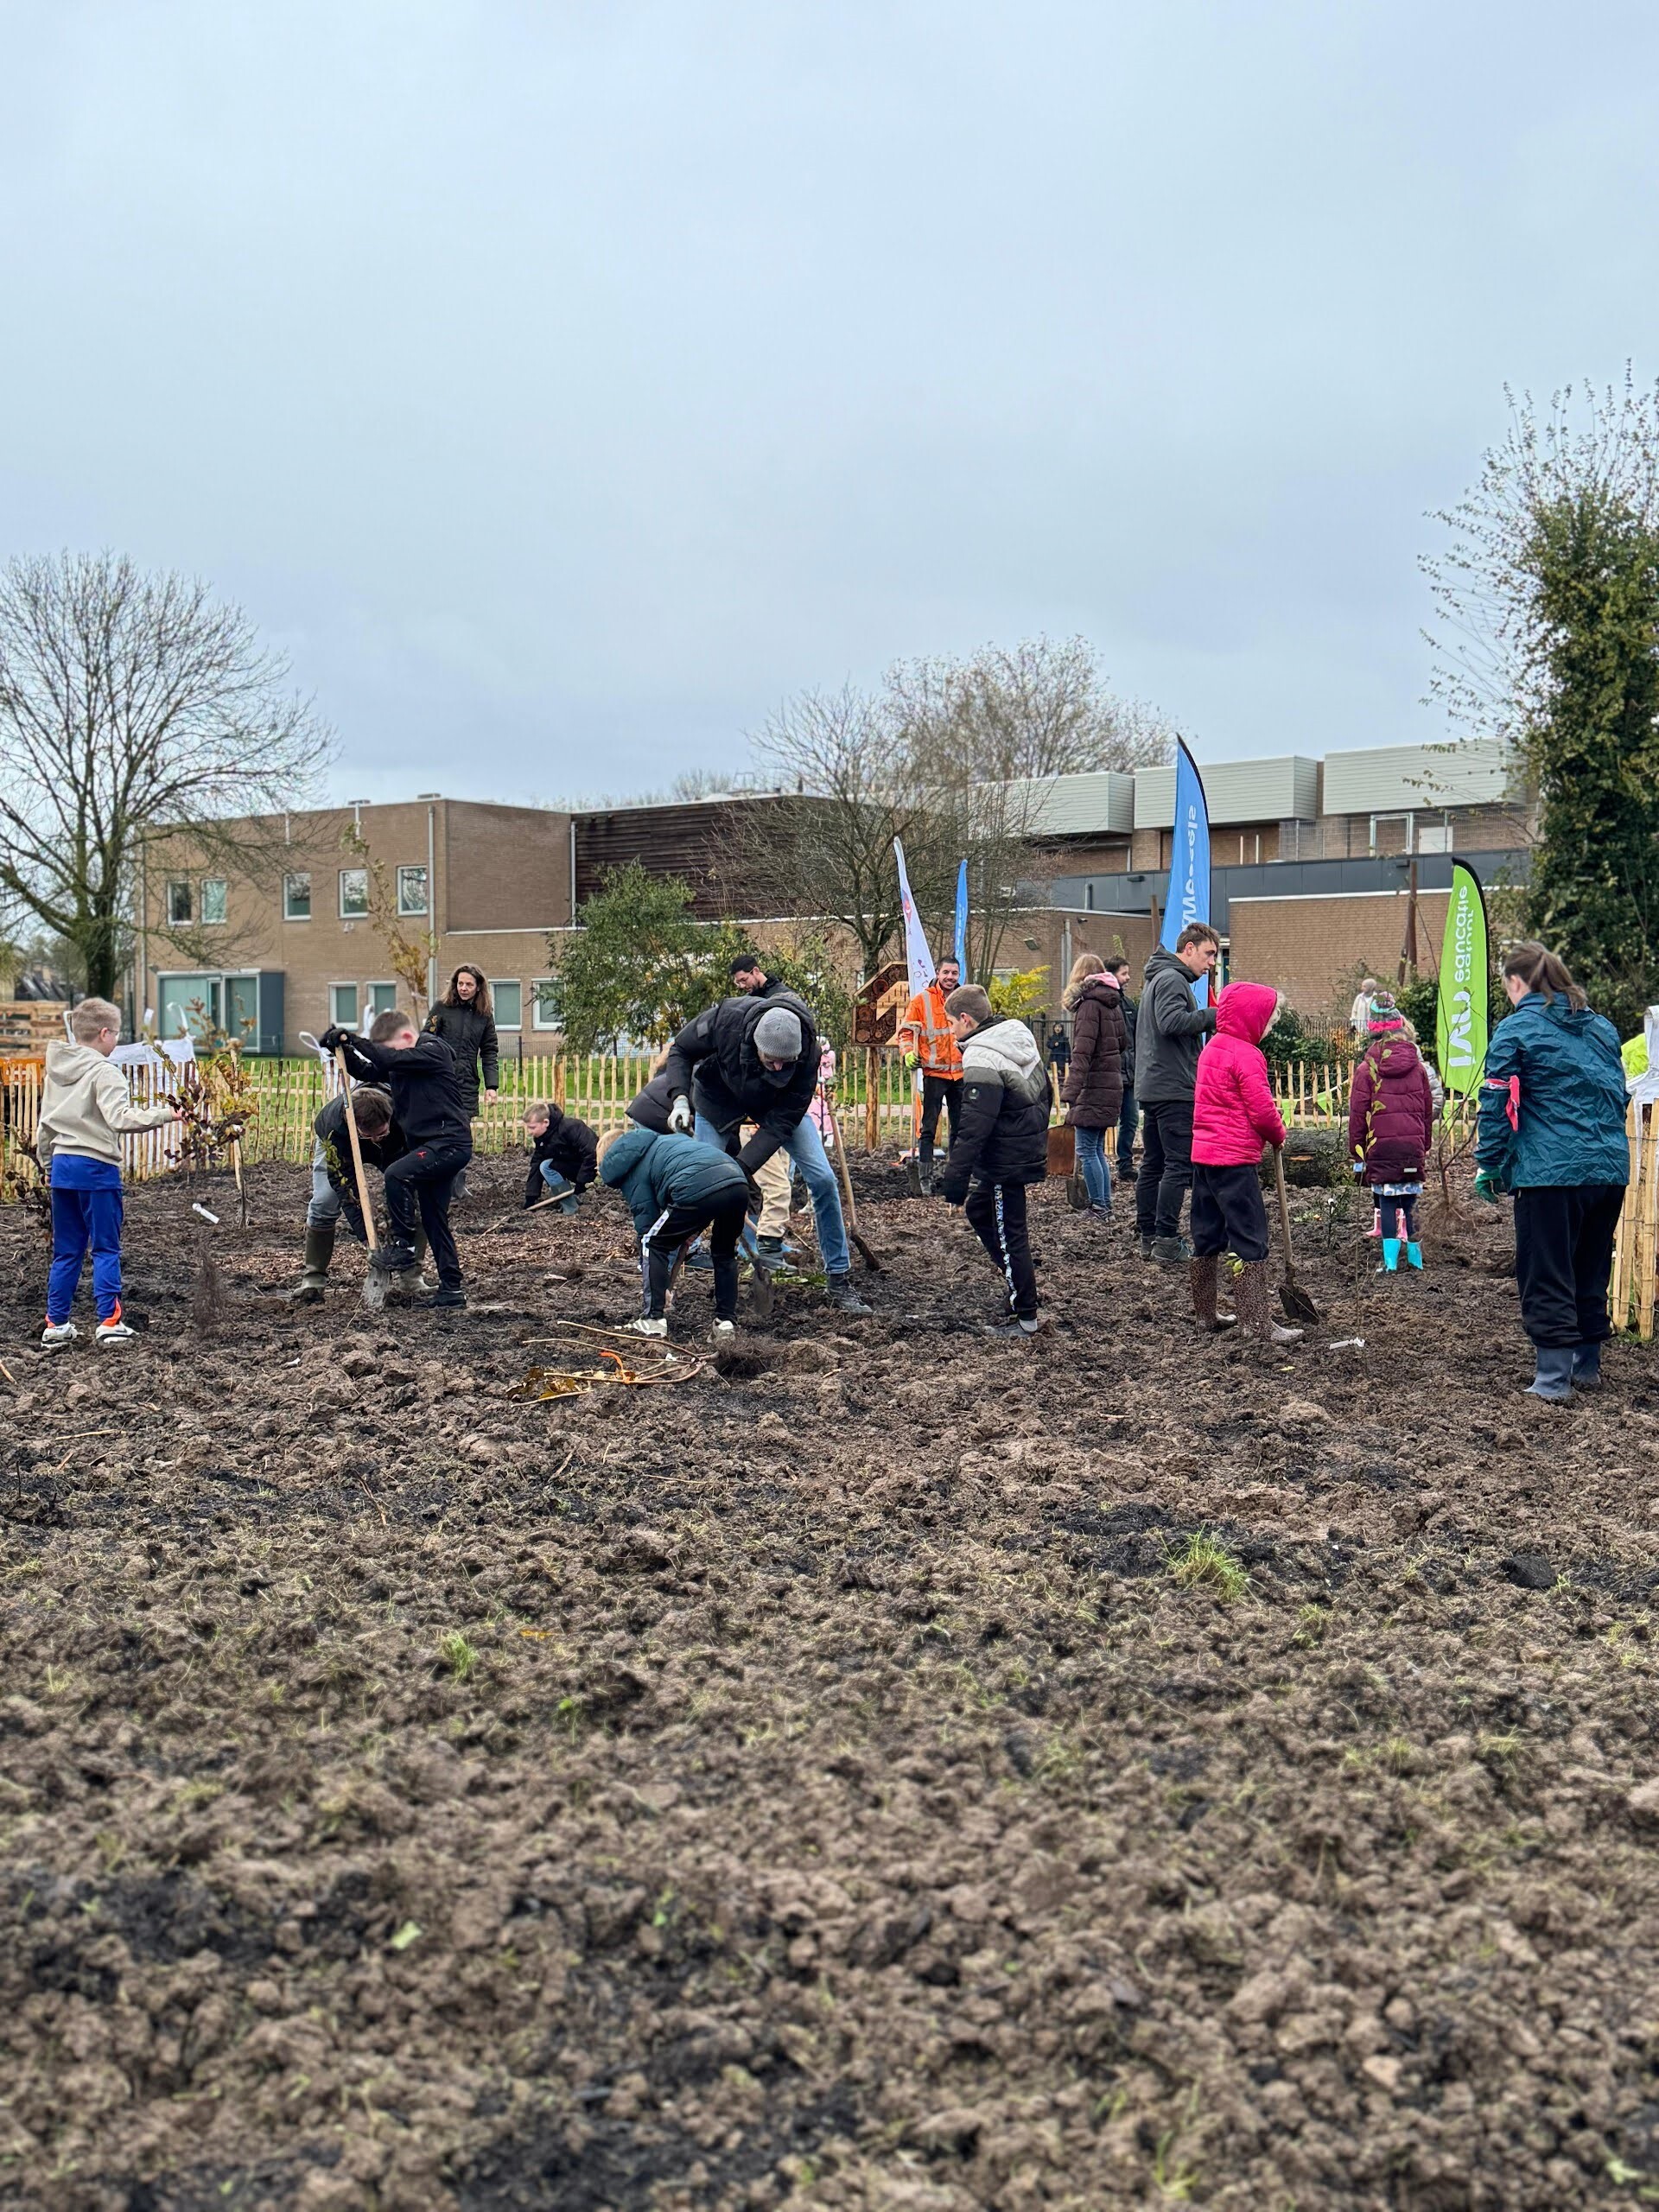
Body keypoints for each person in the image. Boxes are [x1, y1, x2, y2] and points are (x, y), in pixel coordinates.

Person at [1475, 941, 1630, 1403]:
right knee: (1591, 1264)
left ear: (1517, 982)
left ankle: (1551, 1380)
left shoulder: (1517, 1027)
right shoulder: (1602, 1028)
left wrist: (1490, 1162)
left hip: (1548, 1172)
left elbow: (1497, 1098)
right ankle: (1587, 1367)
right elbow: (1618, 1094)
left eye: (1506, 986)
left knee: (1547, 1268)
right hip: (1607, 1170)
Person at [658, 989, 871, 1315]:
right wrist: (680, 1099)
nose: (778, 1067)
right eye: (771, 1060)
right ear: (756, 1045)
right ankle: (662, 1289)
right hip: (719, 1099)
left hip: (776, 1110)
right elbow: (681, 1050)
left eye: (786, 1063)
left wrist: (739, 1169)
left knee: (824, 1180)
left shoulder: (808, 1052)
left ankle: (839, 1278)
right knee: (698, 1187)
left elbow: (782, 1124)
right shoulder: (726, 1022)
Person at [36, 997, 182, 1349]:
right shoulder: (105, 1072)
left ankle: (56, 1325)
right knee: (105, 1248)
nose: (117, 1040)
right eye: (116, 1033)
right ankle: (109, 1322)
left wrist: (47, 1165)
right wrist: (165, 1114)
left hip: (62, 1167)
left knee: (67, 1251)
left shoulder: (57, 1070)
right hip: (96, 1168)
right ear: (104, 1033)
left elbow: (45, 1124)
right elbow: (120, 1118)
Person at [321, 1007, 474, 1309]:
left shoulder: (433, 1051)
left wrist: (354, 1038)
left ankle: (401, 1245)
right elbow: (367, 1071)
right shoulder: (403, 1064)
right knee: (434, 1220)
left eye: (386, 1047)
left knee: (395, 1173)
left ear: (406, 1038)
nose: (385, 1055)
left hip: (448, 1143)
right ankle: (452, 1291)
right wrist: (343, 1048)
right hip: (430, 1147)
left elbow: (388, 1058)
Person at [940, 984, 1052, 1338]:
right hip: (1021, 1147)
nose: (949, 1031)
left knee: (1010, 1232)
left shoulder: (982, 1056)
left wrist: (954, 1180)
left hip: (1007, 1159)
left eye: (950, 1023)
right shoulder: (1018, 1039)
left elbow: (974, 1126)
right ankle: (1017, 1288)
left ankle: (1027, 1318)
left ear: (965, 1019)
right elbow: (1045, 1094)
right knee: (980, 1211)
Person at [1189, 981, 1298, 1344]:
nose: (1268, 1029)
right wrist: (1279, 1133)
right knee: (1250, 1237)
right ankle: (1257, 1323)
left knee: (1206, 1235)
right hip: (1235, 1162)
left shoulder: (1212, 1048)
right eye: (1268, 1021)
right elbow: (1262, 1111)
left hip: (1204, 1159)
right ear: (1253, 1019)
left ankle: (1205, 1315)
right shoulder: (1247, 1055)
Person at [601, 1123, 751, 1338]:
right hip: (736, 1180)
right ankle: (725, 1323)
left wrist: (657, 1287)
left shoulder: (633, 1168)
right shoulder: (664, 1143)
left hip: (696, 1186)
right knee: (724, 1253)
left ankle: (653, 1319)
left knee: (652, 1243)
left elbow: (648, 1229)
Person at [1135, 923, 1221, 1265]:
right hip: (1173, 1088)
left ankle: (1149, 1237)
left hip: (1154, 1085)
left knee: (1153, 1165)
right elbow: (1172, 1023)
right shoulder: (1172, 979)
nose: (1212, 962)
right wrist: (1212, 1015)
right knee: (1176, 1166)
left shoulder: (1158, 979)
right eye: (1209, 953)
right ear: (1188, 949)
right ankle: (1167, 1239)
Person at [295, 1083, 411, 1297]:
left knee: (415, 1197)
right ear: (353, 1124)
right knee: (324, 1202)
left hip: (394, 1145)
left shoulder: (405, 1113)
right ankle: (313, 1280)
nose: (375, 1139)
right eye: (369, 1135)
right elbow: (344, 1186)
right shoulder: (334, 1129)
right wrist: (366, 1236)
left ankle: (411, 1279)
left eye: (381, 1133)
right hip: (344, 1145)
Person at [1348, 999, 1434, 1274]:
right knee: (1411, 1203)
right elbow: (1426, 1110)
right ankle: (1417, 1260)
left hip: (1381, 1148)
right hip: (1411, 1146)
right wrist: (1425, 1144)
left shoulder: (1366, 1071)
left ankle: (1390, 1264)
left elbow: (1358, 1114)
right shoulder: (1418, 1069)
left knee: (1387, 1201)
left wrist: (1357, 1149)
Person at [1059, 953, 1128, 1219]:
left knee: (1087, 1149)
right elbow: (1123, 1043)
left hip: (1093, 1085)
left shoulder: (1089, 1005)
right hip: (1111, 1082)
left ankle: (1100, 1206)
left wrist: (1070, 1091)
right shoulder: (1113, 1002)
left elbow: (1082, 1053)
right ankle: (1104, 1206)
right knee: (1097, 1148)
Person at [424, 965, 499, 1198]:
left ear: (478, 988)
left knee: (462, 1134)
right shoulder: (441, 1009)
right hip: (439, 1080)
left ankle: (458, 1183)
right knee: (436, 1131)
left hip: (466, 1083)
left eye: (469, 984)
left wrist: (492, 1086)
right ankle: (433, 1181)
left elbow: (489, 1051)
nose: (464, 988)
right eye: (460, 983)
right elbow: (426, 1036)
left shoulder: (484, 1015)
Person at [895, 957, 963, 1194]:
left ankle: (955, 1174)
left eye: (954, 973)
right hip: (935, 1072)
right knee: (929, 1126)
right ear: (938, 973)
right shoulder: (922, 1000)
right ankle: (925, 1178)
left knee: (960, 1126)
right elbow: (905, 1033)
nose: (950, 977)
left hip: (960, 1072)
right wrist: (907, 1054)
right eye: (946, 972)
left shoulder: (965, 1000)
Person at [522, 1100, 598, 1215]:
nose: (529, 1132)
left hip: (590, 1166)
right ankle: (570, 1201)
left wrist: (583, 1181)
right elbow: (536, 1162)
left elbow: (592, 1153)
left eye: (532, 1128)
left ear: (546, 1122)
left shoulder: (572, 1127)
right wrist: (531, 1197)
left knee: (546, 1166)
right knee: (544, 1166)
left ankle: (571, 1209)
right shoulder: (542, 1136)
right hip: (569, 1164)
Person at [1108, 957, 1139, 1178]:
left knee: (1131, 1119)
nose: (1127, 978)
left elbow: (1136, 1038)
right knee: (1104, 1121)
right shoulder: (1106, 1005)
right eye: (1123, 974)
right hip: (1111, 1075)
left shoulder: (1128, 1005)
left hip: (1130, 1074)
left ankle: (1125, 1163)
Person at [1350, 976, 1378, 1040]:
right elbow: (1354, 1011)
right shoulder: (1359, 998)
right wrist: (1354, 1024)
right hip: (1360, 1028)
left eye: (1364, 986)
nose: (1362, 988)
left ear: (1370, 987)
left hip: (1372, 1030)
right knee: (1359, 1046)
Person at [1046, 1021, 1071, 1088]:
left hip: (1061, 1058)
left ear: (1062, 1029)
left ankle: (1061, 1085)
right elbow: (1048, 1045)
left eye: (1059, 1027)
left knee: (1061, 1073)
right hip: (1054, 1057)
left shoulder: (1064, 1038)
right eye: (1056, 1027)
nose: (1057, 1029)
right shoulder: (1052, 1038)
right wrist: (1054, 1044)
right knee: (1053, 1073)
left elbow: (1067, 1049)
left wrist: (1067, 1059)